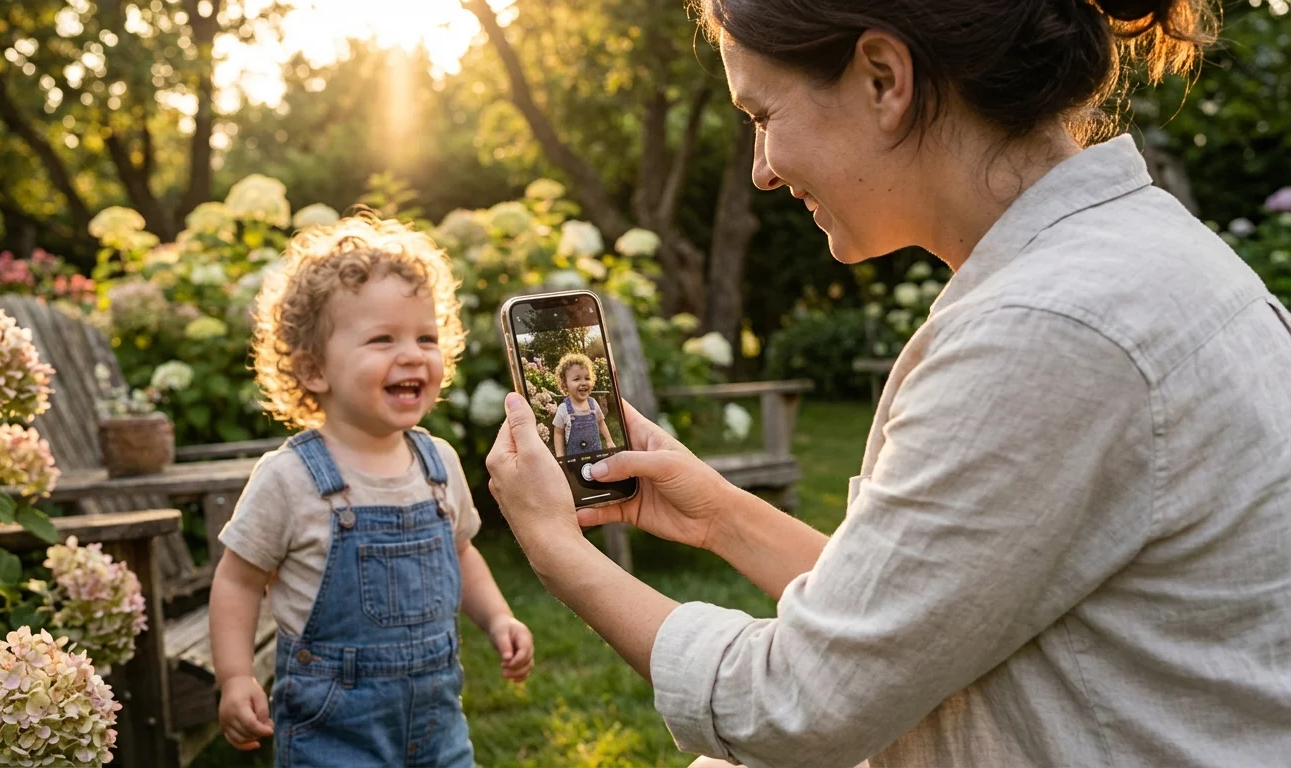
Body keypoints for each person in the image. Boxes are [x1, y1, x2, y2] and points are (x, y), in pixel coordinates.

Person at [485, 0, 1291, 766]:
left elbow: (798, 705)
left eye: (762, 116)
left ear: (882, 78)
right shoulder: (1124, 260)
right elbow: (924, 611)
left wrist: (556, 549)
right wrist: (719, 516)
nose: (762, 169)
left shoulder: (1048, 328)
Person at [209, 213, 534, 767]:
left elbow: (461, 554)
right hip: (331, 730)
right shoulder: (290, 478)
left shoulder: (439, 464)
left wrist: (498, 617)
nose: (412, 354)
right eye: (383, 339)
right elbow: (238, 582)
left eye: (426, 338)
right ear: (314, 370)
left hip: (437, 726)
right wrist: (236, 675)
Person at [552, 352, 616, 457]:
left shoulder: (593, 404)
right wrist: (560, 456)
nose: (583, 382)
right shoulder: (563, 409)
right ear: (565, 384)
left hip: (596, 453)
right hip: (574, 458)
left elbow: (600, 422)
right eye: (577, 379)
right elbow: (558, 432)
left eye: (587, 378)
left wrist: (609, 440)